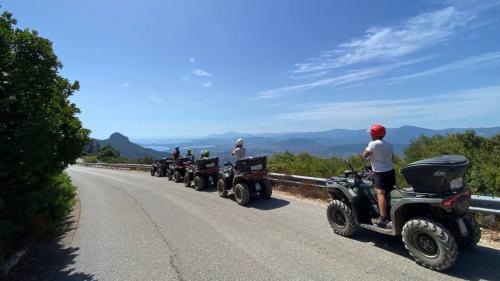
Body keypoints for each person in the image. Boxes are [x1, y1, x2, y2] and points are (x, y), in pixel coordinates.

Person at [362, 124, 395, 228]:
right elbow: (392, 157)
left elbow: (364, 155)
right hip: (390, 170)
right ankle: (391, 213)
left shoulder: (372, 144)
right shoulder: (389, 144)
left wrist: (367, 148)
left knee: (380, 193)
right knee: (389, 192)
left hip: (379, 172)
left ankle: (383, 218)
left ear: (373, 134)